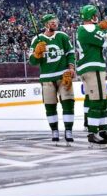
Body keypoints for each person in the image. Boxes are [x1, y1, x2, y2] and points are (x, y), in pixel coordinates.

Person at [76, 5, 107, 148]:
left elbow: (100, 31)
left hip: (93, 67)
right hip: (92, 68)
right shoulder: (86, 29)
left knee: (103, 101)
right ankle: (93, 134)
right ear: (92, 16)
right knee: (97, 101)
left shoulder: (88, 29)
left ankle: (103, 130)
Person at [29, 14, 76, 145]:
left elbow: (70, 54)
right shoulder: (36, 39)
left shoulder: (62, 36)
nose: (54, 23)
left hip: (63, 75)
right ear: (45, 24)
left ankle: (68, 130)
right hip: (47, 78)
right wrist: (37, 54)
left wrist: (71, 68)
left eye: (55, 21)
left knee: (68, 103)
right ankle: (54, 131)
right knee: (50, 106)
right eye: (51, 22)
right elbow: (32, 62)